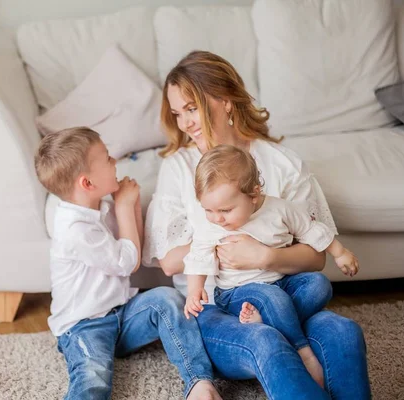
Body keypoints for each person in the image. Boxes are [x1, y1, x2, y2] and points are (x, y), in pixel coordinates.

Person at [143, 51, 371, 399]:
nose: (185, 123)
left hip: (284, 295)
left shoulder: (281, 163)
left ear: (226, 101)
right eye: (177, 113)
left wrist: (265, 256)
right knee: (265, 340)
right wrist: (232, 235)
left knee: (343, 333)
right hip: (217, 308)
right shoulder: (179, 168)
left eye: (192, 108)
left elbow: (316, 258)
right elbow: (171, 261)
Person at [34, 127, 221, 400]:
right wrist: (124, 207)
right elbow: (126, 263)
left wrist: (129, 206)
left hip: (120, 315)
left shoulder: (102, 205)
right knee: (93, 379)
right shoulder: (74, 228)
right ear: (87, 183)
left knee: (167, 299)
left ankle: (199, 382)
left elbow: (136, 245)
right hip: (84, 326)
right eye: (108, 159)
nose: (115, 163)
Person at [183, 144, 360, 387]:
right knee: (272, 297)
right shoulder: (212, 227)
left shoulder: (280, 209)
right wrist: (195, 290)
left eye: (225, 210)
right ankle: (302, 351)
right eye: (208, 210)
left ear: (253, 195)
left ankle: (268, 320)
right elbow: (198, 256)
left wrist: (340, 253)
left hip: (282, 281)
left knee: (319, 284)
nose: (217, 218)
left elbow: (310, 230)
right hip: (237, 292)